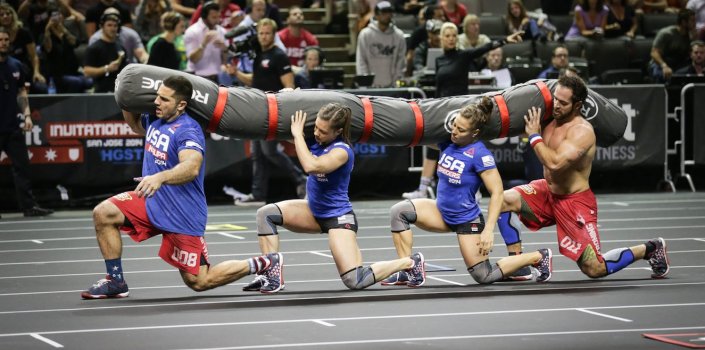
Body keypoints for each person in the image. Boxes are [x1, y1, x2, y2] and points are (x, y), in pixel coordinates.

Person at [81, 75, 282, 299]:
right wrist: (124, 98)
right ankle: (115, 281)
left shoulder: (188, 130)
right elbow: (137, 126)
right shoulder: (155, 118)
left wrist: (160, 178)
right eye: (157, 96)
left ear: (181, 105)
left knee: (199, 281)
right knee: (103, 213)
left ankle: (265, 263)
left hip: (182, 212)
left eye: (164, 99)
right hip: (151, 199)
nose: (157, 102)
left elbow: (192, 166)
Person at [496, 75, 670, 283]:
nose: (556, 106)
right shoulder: (549, 117)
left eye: (563, 103)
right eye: (555, 99)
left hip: (574, 202)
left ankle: (650, 249)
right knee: (502, 200)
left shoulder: (582, 132)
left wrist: (534, 136)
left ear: (577, 105)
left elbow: (555, 164)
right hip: (548, 193)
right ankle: (518, 266)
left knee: (594, 268)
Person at [240, 103, 426, 293]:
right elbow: (279, 129)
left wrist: (297, 135)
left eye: (323, 131)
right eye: (315, 128)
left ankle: (410, 262)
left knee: (355, 280)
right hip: (313, 211)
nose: (317, 133)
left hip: (338, 218)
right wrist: (288, 99)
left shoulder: (342, 151)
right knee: (265, 214)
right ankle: (270, 274)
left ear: (337, 131)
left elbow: (312, 166)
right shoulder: (316, 140)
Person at [383, 97, 552, 286]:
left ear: (475, 133)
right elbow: (419, 138)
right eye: (455, 126)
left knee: (483, 276)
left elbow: (497, 193)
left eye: (461, 130)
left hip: (467, 220)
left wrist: (488, 230)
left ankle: (539, 257)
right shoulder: (447, 142)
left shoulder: (480, 155)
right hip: (441, 211)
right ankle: (409, 269)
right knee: (398, 211)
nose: (454, 132)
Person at [229, 18, 306, 207]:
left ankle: (302, 180)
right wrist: (235, 73)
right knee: (257, 154)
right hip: (257, 109)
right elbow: (255, 81)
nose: (263, 37)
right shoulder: (258, 56)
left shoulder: (279, 55)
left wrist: (281, 108)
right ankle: (258, 194)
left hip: (271, 111)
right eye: (261, 33)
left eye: (267, 33)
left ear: (273, 35)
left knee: (269, 151)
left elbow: (289, 85)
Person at [0, 27, 53, 219]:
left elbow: (21, 91)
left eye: (6, 39)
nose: (4, 42)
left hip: (13, 126)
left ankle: (29, 206)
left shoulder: (15, 65)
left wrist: (27, 115)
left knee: (22, 168)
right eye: (0, 39)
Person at [435, 21, 522, 97]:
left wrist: (505, 40)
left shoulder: (463, 55)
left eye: (454, 36)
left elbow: (485, 48)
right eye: (447, 36)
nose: (451, 39)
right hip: (443, 102)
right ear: (441, 38)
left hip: (459, 101)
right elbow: (438, 87)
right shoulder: (439, 60)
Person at [41, 5, 93, 93]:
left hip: (73, 71)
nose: (58, 17)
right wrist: (47, 29)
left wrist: (64, 31)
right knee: (77, 82)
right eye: (54, 15)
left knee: (89, 81)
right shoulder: (46, 35)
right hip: (58, 75)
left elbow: (75, 43)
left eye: (59, 14)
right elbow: (48, 48)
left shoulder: (66, 33)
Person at [355, 1, 407, 88]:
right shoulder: (365, 34)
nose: (387, 16)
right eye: (383, 13)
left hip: (392, 87)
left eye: (389, 12)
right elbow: (361, 60)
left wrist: (396, 83)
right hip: (370, 87)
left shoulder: (399, 35)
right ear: (376, 15)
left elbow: (401, 62)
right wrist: (365, 83)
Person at [83, 9, 128, 93]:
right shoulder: (94, 47)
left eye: (115, 26)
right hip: (101, 90)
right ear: (102, 27)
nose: (113, 28)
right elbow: (87, 71)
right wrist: (107, 69)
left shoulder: (120, 47)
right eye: (109, 25)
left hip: (119, 90)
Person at [184, 1, 227, 83]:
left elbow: (224, 61)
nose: (218, 20)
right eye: (214, 17)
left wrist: (224, 49)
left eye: (219, 17)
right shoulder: (192, 31)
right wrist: (203, 44)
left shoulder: (222, 31)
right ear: (204, 17)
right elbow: (193, 59)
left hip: (216, 77)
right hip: (196, 76)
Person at [649, 8, 696, 83]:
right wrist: (664, 66)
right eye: (692, 21)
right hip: (661, 63)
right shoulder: (666, 34)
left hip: (678, 65)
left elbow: (694, 53)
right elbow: (654, 53)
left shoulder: (690, 36)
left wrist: (694, 37)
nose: (695, 23)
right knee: (660, 74)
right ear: (684, 22)